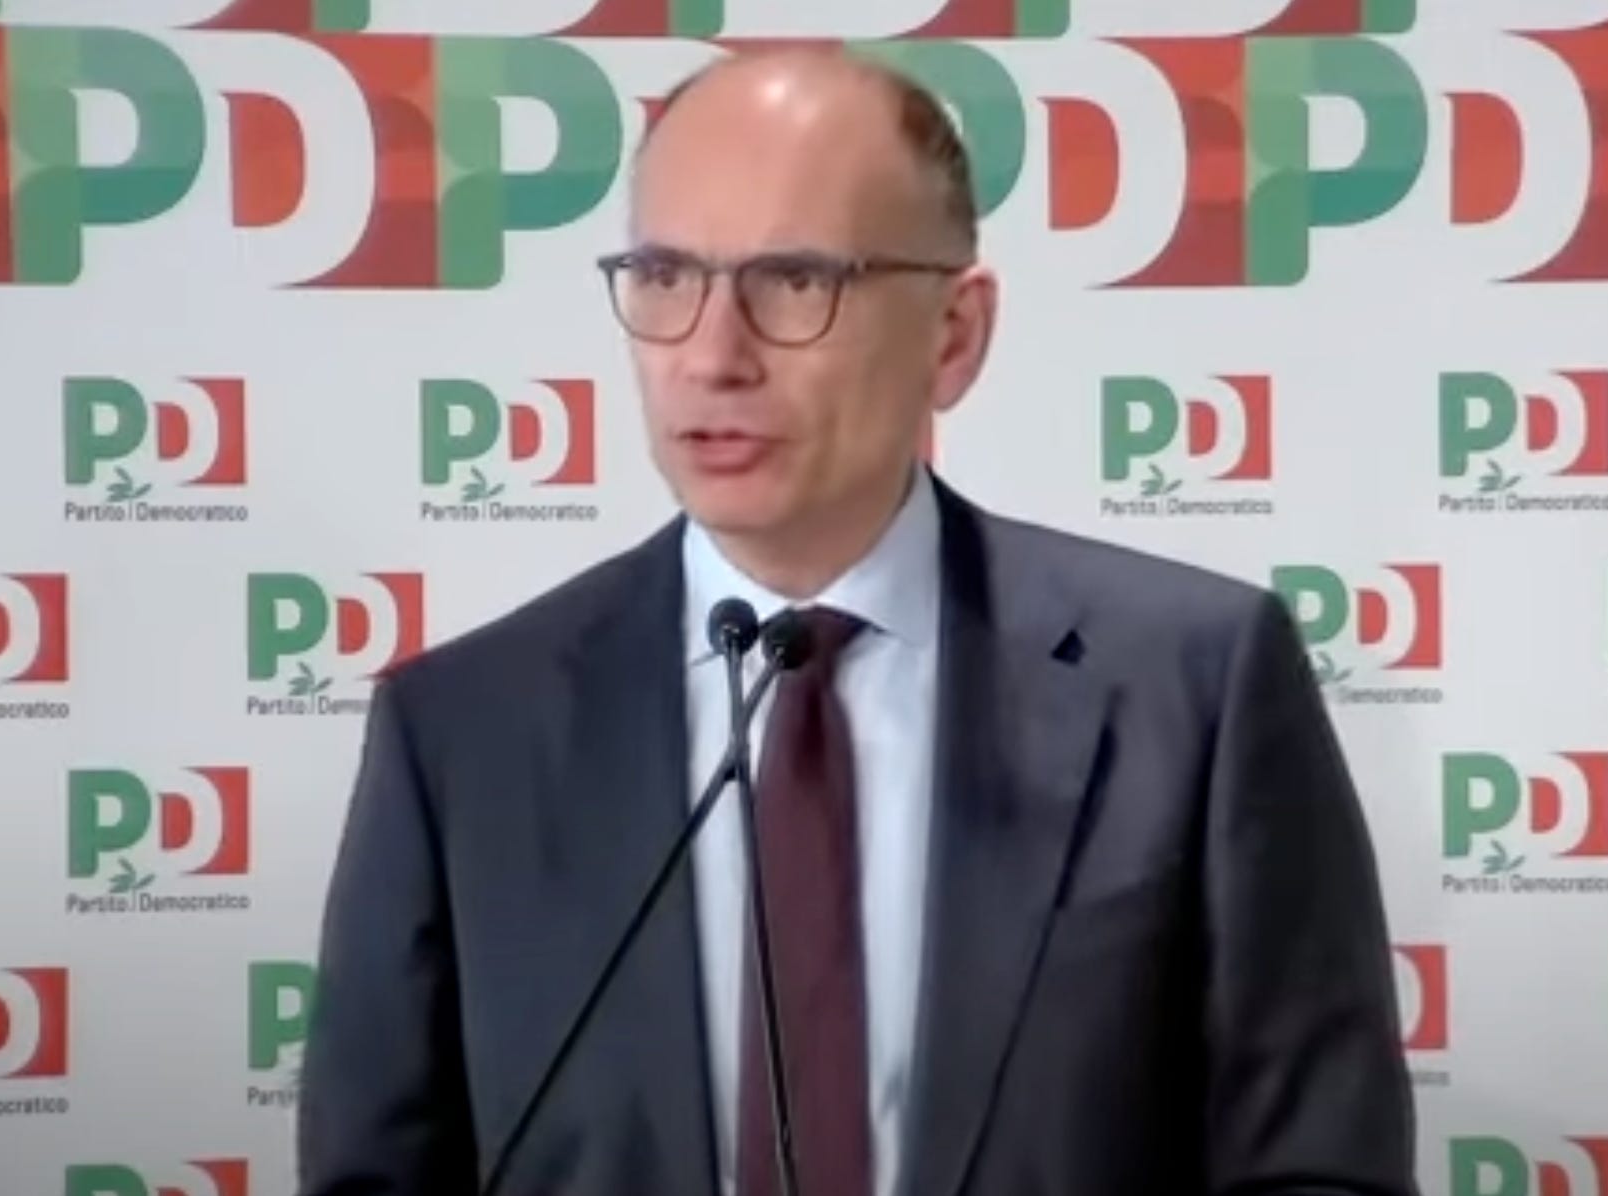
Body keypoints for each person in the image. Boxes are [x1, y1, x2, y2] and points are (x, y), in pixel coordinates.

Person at [295, 45, 1418, 1196]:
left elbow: (1318, 1167)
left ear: (953, 333)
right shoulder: (464, 732)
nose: (711, 356)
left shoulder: (1195, 687)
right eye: (666, 275)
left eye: (793, 280)